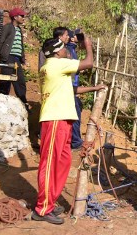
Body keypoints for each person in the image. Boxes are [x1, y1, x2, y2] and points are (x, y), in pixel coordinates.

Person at [32, 34, 104, 224]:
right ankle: (42, 208)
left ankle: (50, 202)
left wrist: (95, 88)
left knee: (62, 163)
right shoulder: (57, 64)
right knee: (50, 164)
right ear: (57, 52)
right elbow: (89, 63)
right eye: (63, 47)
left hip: (62, 119)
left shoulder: (54, 68)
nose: (67, 50)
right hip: (55, 119)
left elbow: (71, 90)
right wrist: (88, 45)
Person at [0, 7, 30, 110]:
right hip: (8, 58)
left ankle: (23, 101)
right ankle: (2, 102)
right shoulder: (7, 27)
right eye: (22, 16)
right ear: (15, 17)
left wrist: (23, 60)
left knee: (20, 81)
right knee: (5, 80)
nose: (23, 18)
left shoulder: (19, 30)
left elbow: (21, 46)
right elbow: (1, 41)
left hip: (16, 59)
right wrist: (1, 56)